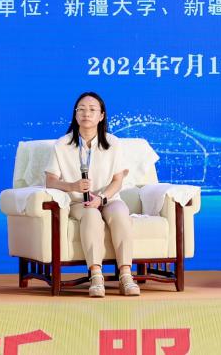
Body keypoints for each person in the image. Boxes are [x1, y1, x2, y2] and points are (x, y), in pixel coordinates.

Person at [45, 92, 138, 298]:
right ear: (75, 114)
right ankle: (96, 276)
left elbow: (118, 180)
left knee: (120, 213)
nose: (86, 113)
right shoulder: (62, 144)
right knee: (91, 215)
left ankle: (126, 275)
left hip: (108, 199)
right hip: (79, 203)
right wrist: (73, 185)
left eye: (92, 109)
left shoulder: (113, 143)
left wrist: (102, 198)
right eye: (81, 109)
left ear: (101, 116)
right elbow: (50, 181)